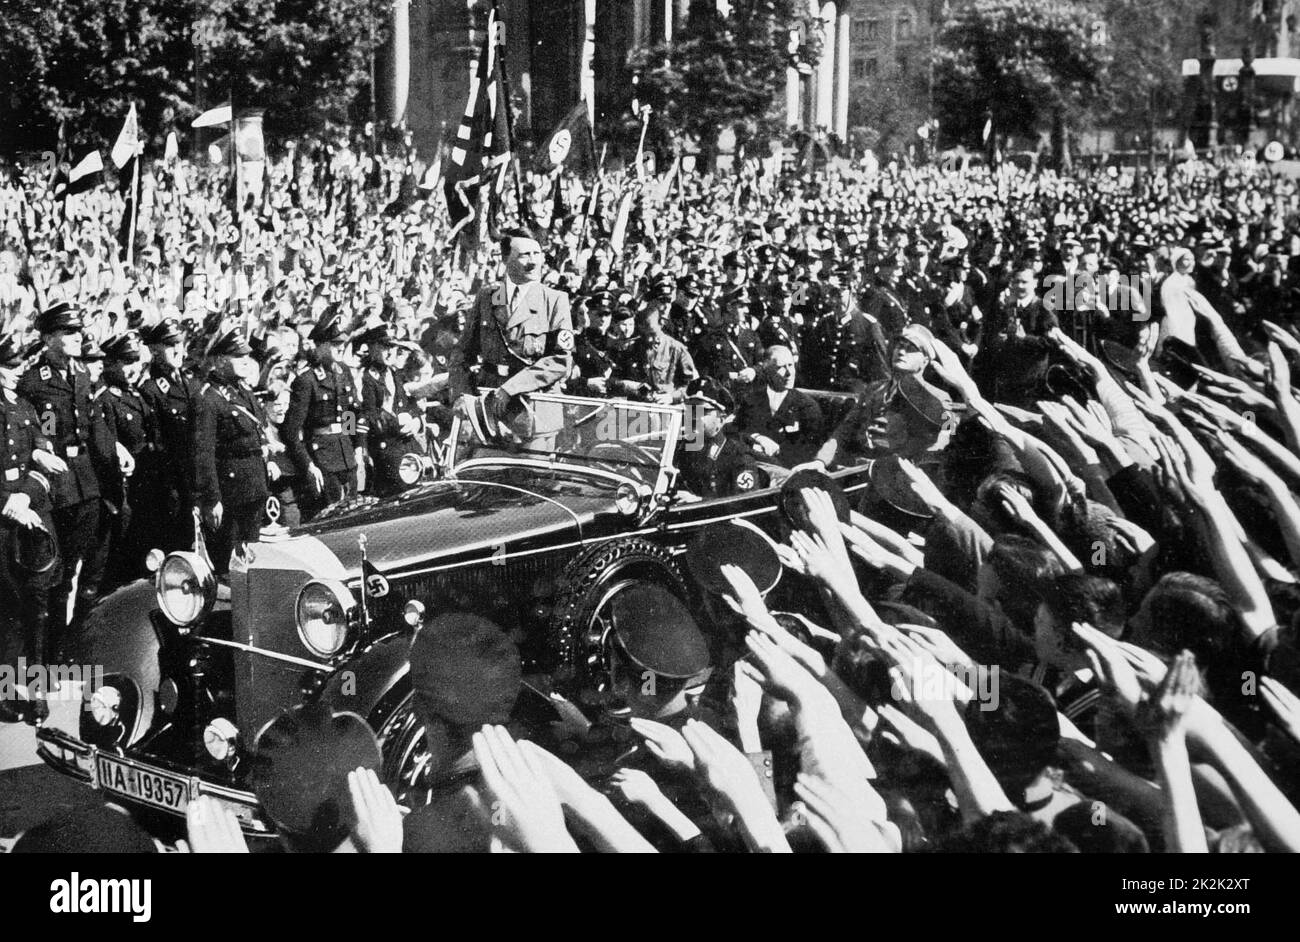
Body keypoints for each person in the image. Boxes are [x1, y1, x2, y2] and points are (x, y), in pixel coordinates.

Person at [17, 302, 115, 657]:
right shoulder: (35, 383)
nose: (78, 338)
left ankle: (66, 649)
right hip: (56, 486)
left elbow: (92, 429)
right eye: (68, 332)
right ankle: (49, 656)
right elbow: (43, 434)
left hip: (86, 482)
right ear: (47, 339)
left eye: (78, 331)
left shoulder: (83, 375)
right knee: (55, 577)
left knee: (76, 571)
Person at [447, 228, 574, 444]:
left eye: (537, 254)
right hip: (489, 414)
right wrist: (460, 394)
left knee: (533, 475)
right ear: (506, 258)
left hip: (534, 414)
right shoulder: (489, 296)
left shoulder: (554, 300)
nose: (533, 262)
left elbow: (561, 361)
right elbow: (461, 353)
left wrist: (511, 388)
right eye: (524, 255)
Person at [0, 332, 59, 725]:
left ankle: (33, 687)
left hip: (33, 514)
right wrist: (9, 504)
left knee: (38, 604)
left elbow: (45, 453)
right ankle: (6, 690)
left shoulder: (25, 405)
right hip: (4, 521)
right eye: (9, 366)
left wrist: (26, 496)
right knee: (8, 608)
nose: (17, 372)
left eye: (20, 365)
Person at [193, 328, 271, 573]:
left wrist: (355, 441)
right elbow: (203, 453)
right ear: (219, 360)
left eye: (247, 355)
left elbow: (257, 430)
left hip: (256, 482)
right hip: (234, 489)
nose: (246, 360)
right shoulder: (210, 398)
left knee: (253, 556)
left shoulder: (243, 391)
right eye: (238, 356)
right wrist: (212, 497)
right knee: (232, 563)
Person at [283, 309, 362, 519]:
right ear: (321, 345)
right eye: (335, 344)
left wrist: (356, 446)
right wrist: (308, 465)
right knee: (330, 516)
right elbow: (291, 430)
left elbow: (349, 412)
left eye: (342, 344)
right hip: (322, 458)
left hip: (345, 455)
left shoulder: (342, 371)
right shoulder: (306, 380)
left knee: (353, 514)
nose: (340, 348)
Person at [138, 317, 202, 552]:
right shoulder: (151, 390)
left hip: (198, 475)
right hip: (175, 481)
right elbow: (158, 443)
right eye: (170, 344)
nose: (178, 349)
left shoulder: (190, 381)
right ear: (154, 350)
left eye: (180, 342)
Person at [357, 322, 423, 497]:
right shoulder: (364, 379)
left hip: (407, 446)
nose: (390, 352)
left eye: (393, 347)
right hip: (384, 450)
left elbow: (411, 405)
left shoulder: (395, 374)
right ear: (372, 347)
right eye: (385, 346)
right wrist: (359, 449)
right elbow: (361, 415)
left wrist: (416, 421)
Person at [734, 345, 825, 467]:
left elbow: (811, 450)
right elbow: (736, 432)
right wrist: (757, 437)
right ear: (767, 369)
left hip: (790, 471)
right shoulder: (752, 400)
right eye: (781, 367)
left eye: (791, 365)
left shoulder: (807, 406)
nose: (789, 373)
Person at [676, 377, 768, 499]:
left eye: (703, 412)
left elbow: (745, 504)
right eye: (690, 410)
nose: (694, 417)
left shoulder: (738, 456)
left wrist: (697, 501)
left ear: (721, 420)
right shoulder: (682, 450)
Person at [610, 302, 698, 403]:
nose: (648, 338)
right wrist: (626, 385)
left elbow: (692, 385)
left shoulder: (676, 349)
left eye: (652, 333)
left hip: (665, 410)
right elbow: (612, 381)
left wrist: (671, 397)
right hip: (636, 409)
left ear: (661, 324)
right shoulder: (630, 348)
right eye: (643, 334)